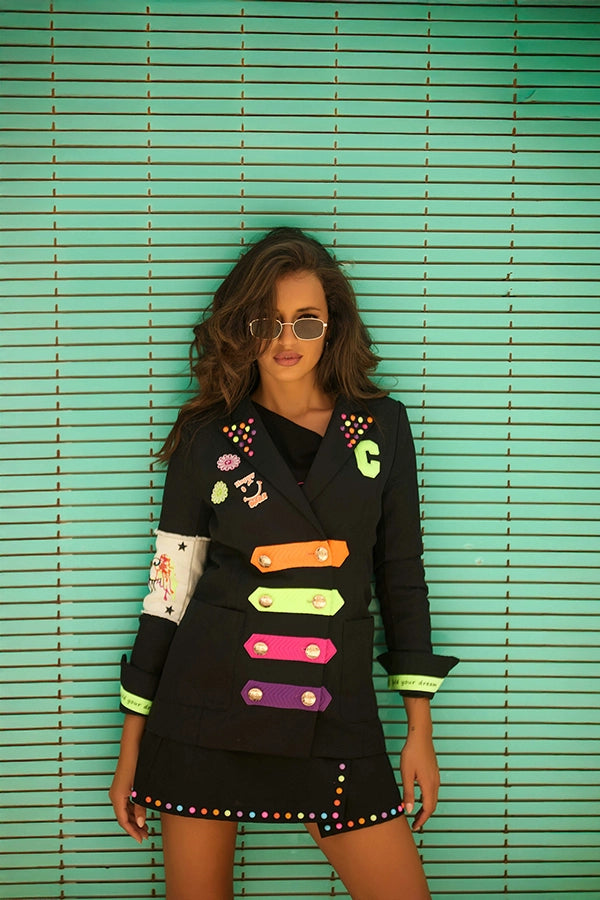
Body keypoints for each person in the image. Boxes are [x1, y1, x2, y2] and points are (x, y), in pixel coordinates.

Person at [109, 226, 458, 900]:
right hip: (206, 709)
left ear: (333, 328)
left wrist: (419, 729)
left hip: (335, 710)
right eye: (265, 321)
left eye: (306, 321)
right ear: (242, 328)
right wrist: (133, 748)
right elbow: (168, 592)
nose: (286, 339)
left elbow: (401, 575)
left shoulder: (383, 427)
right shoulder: (207, 437)